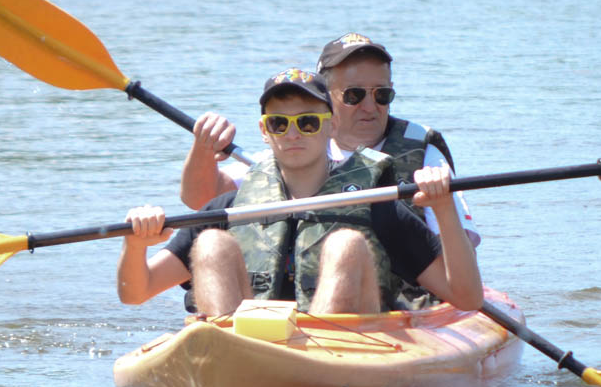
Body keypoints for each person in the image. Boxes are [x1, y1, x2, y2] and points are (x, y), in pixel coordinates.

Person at [120, 69, 482, 318]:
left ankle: (319, 362)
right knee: (212, 244)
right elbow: (136, 292)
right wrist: (136, 244)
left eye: (308, 123)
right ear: (265, 131)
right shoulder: (229, 208)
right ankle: (224, 348)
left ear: (332, 126)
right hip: (246, 352)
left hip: (345, 345)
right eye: (280, 123)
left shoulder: (375, 207)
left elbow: (466, 297)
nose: (293, 134)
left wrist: (444, 208)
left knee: (346, 245)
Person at [178, 32, 475, 240]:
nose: (371, 107)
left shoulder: (422, 151)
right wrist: (203, 148)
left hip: (404, 303)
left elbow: (463, 246)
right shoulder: (298, 145)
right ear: (326, 100)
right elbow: (200, 199)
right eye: (354, 95)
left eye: (382, 94)